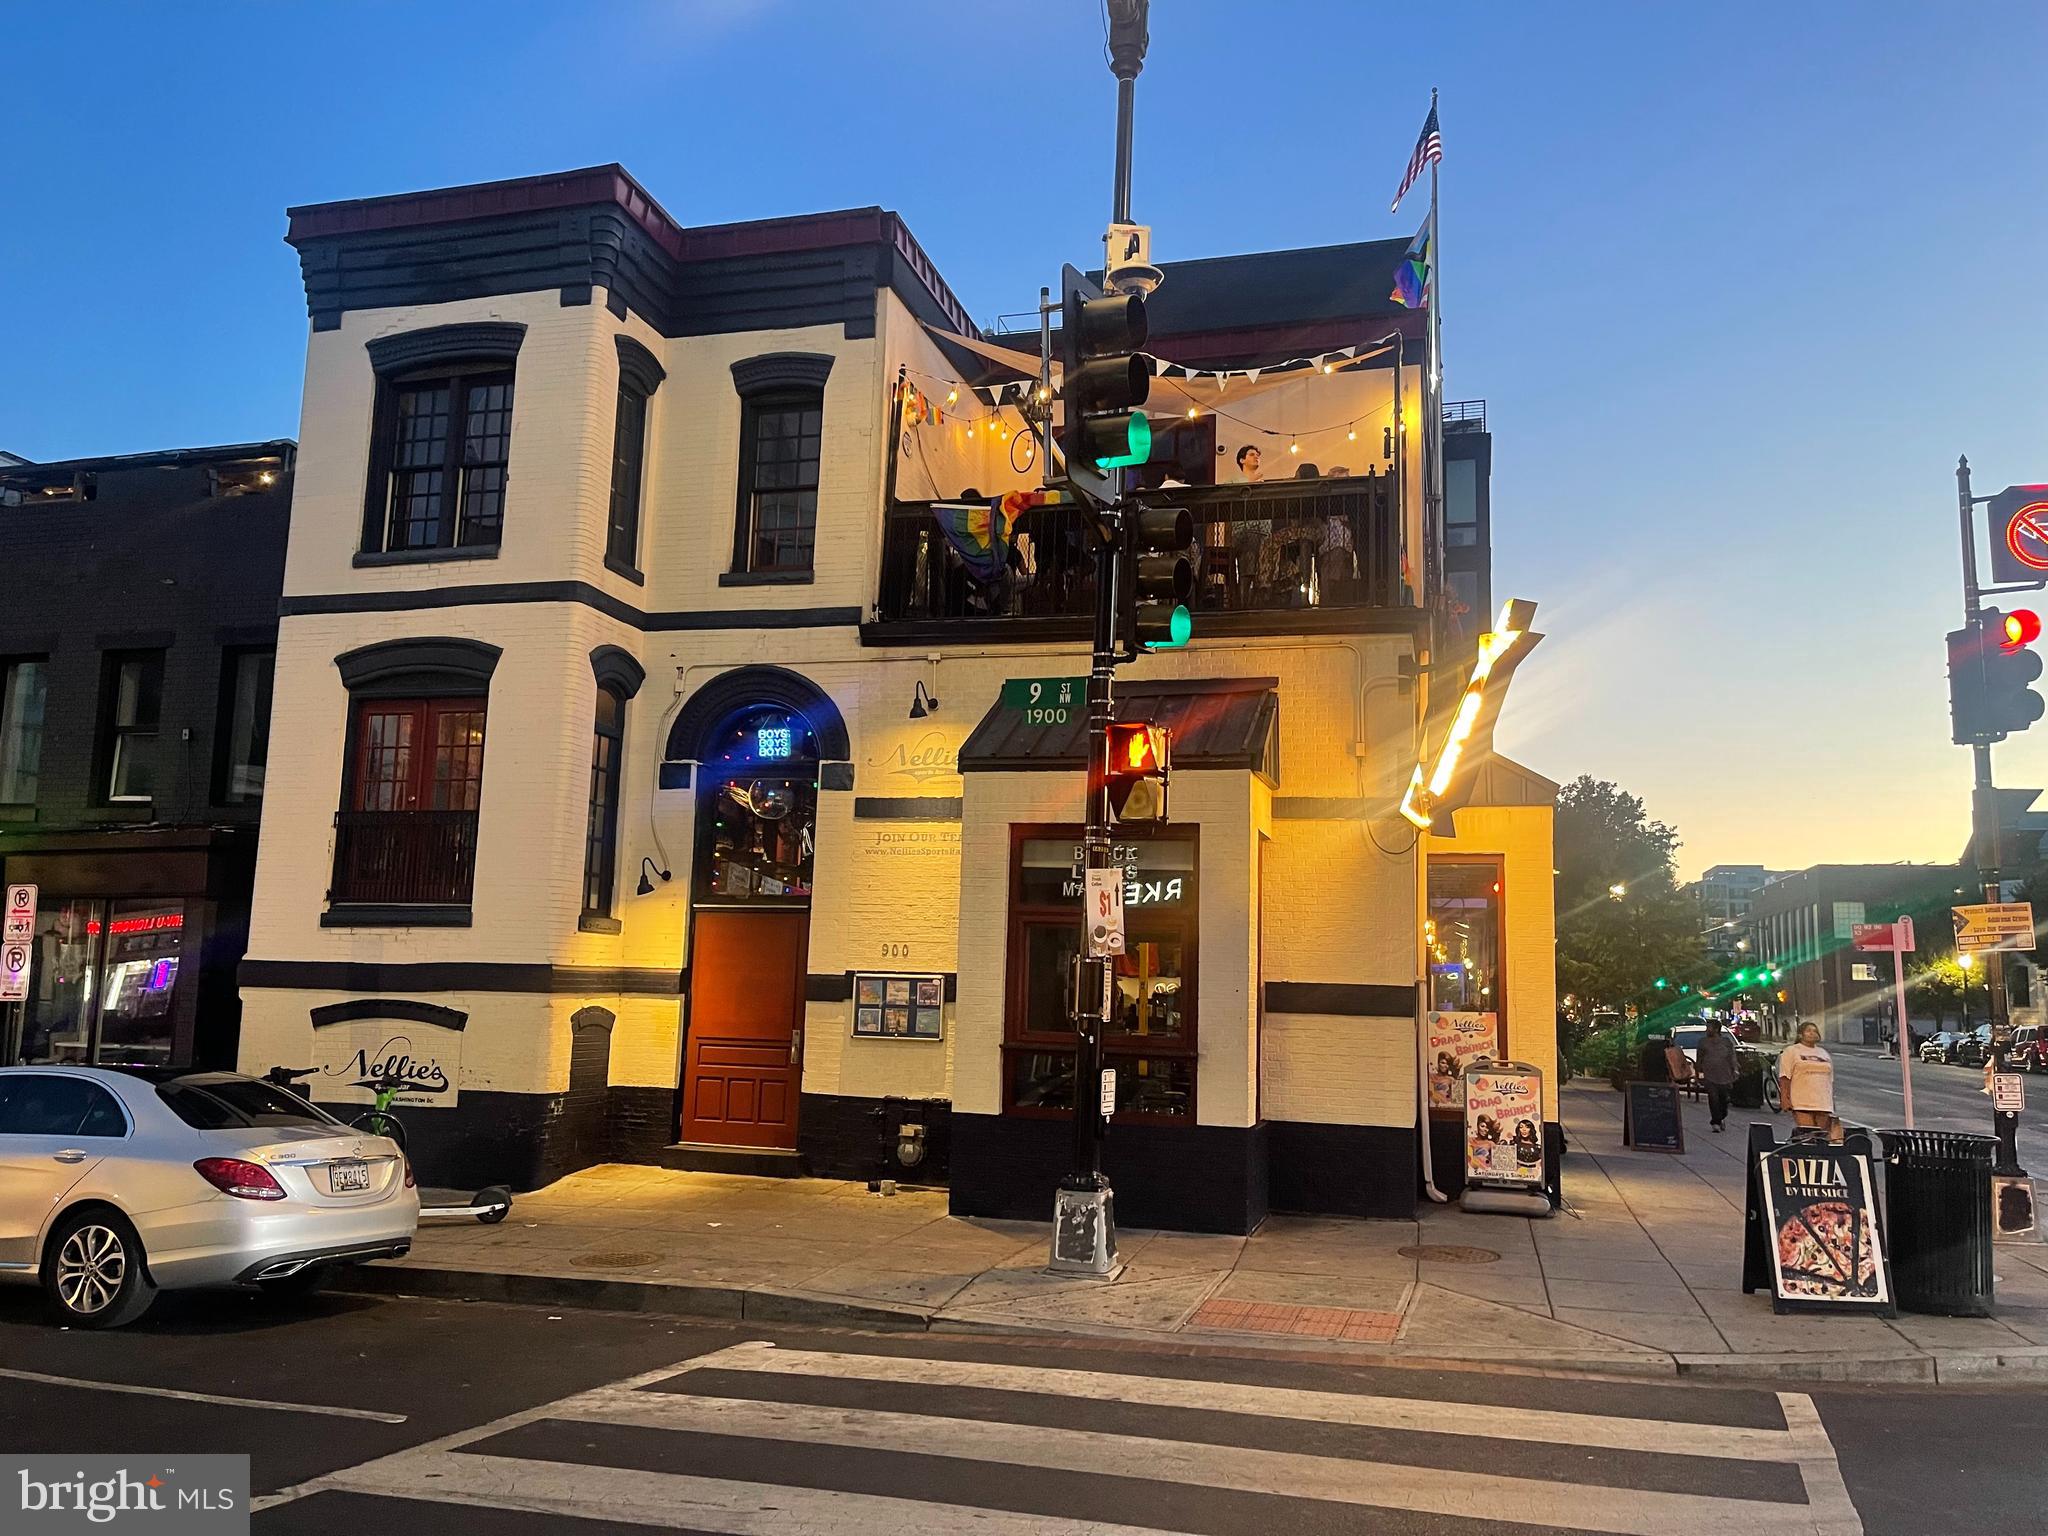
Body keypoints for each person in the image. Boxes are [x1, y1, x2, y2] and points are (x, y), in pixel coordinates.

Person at [1778, 1022, 1839, 1143]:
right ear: (1800, 1035)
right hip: (1802, 1102)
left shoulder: (1824, 1053)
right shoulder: (1792, 1051)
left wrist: (1832, 1101)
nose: (1812, 1033)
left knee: (1821, 1139)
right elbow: (1785, 1077)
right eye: (1808, 1031)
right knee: (1808, 1136)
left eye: (1815, 1031)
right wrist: (1785, 1098)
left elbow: (1829, 1080)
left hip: (1823, 1103)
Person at [1697, 1017, 1740, 1133]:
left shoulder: (1726, 1042)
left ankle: (1721, 1117)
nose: (1707, 1030)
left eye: (1709, 1027)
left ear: (1716, 1029)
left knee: (1723, 1099)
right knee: (1713, 1098)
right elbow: (1699, 1059)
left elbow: (1732, 1057)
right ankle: (1715, 1122)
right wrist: (1699, 1074)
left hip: (1725, 1075)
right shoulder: (1703, 1042)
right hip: (1709, 1075)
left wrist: (1735, 1069)